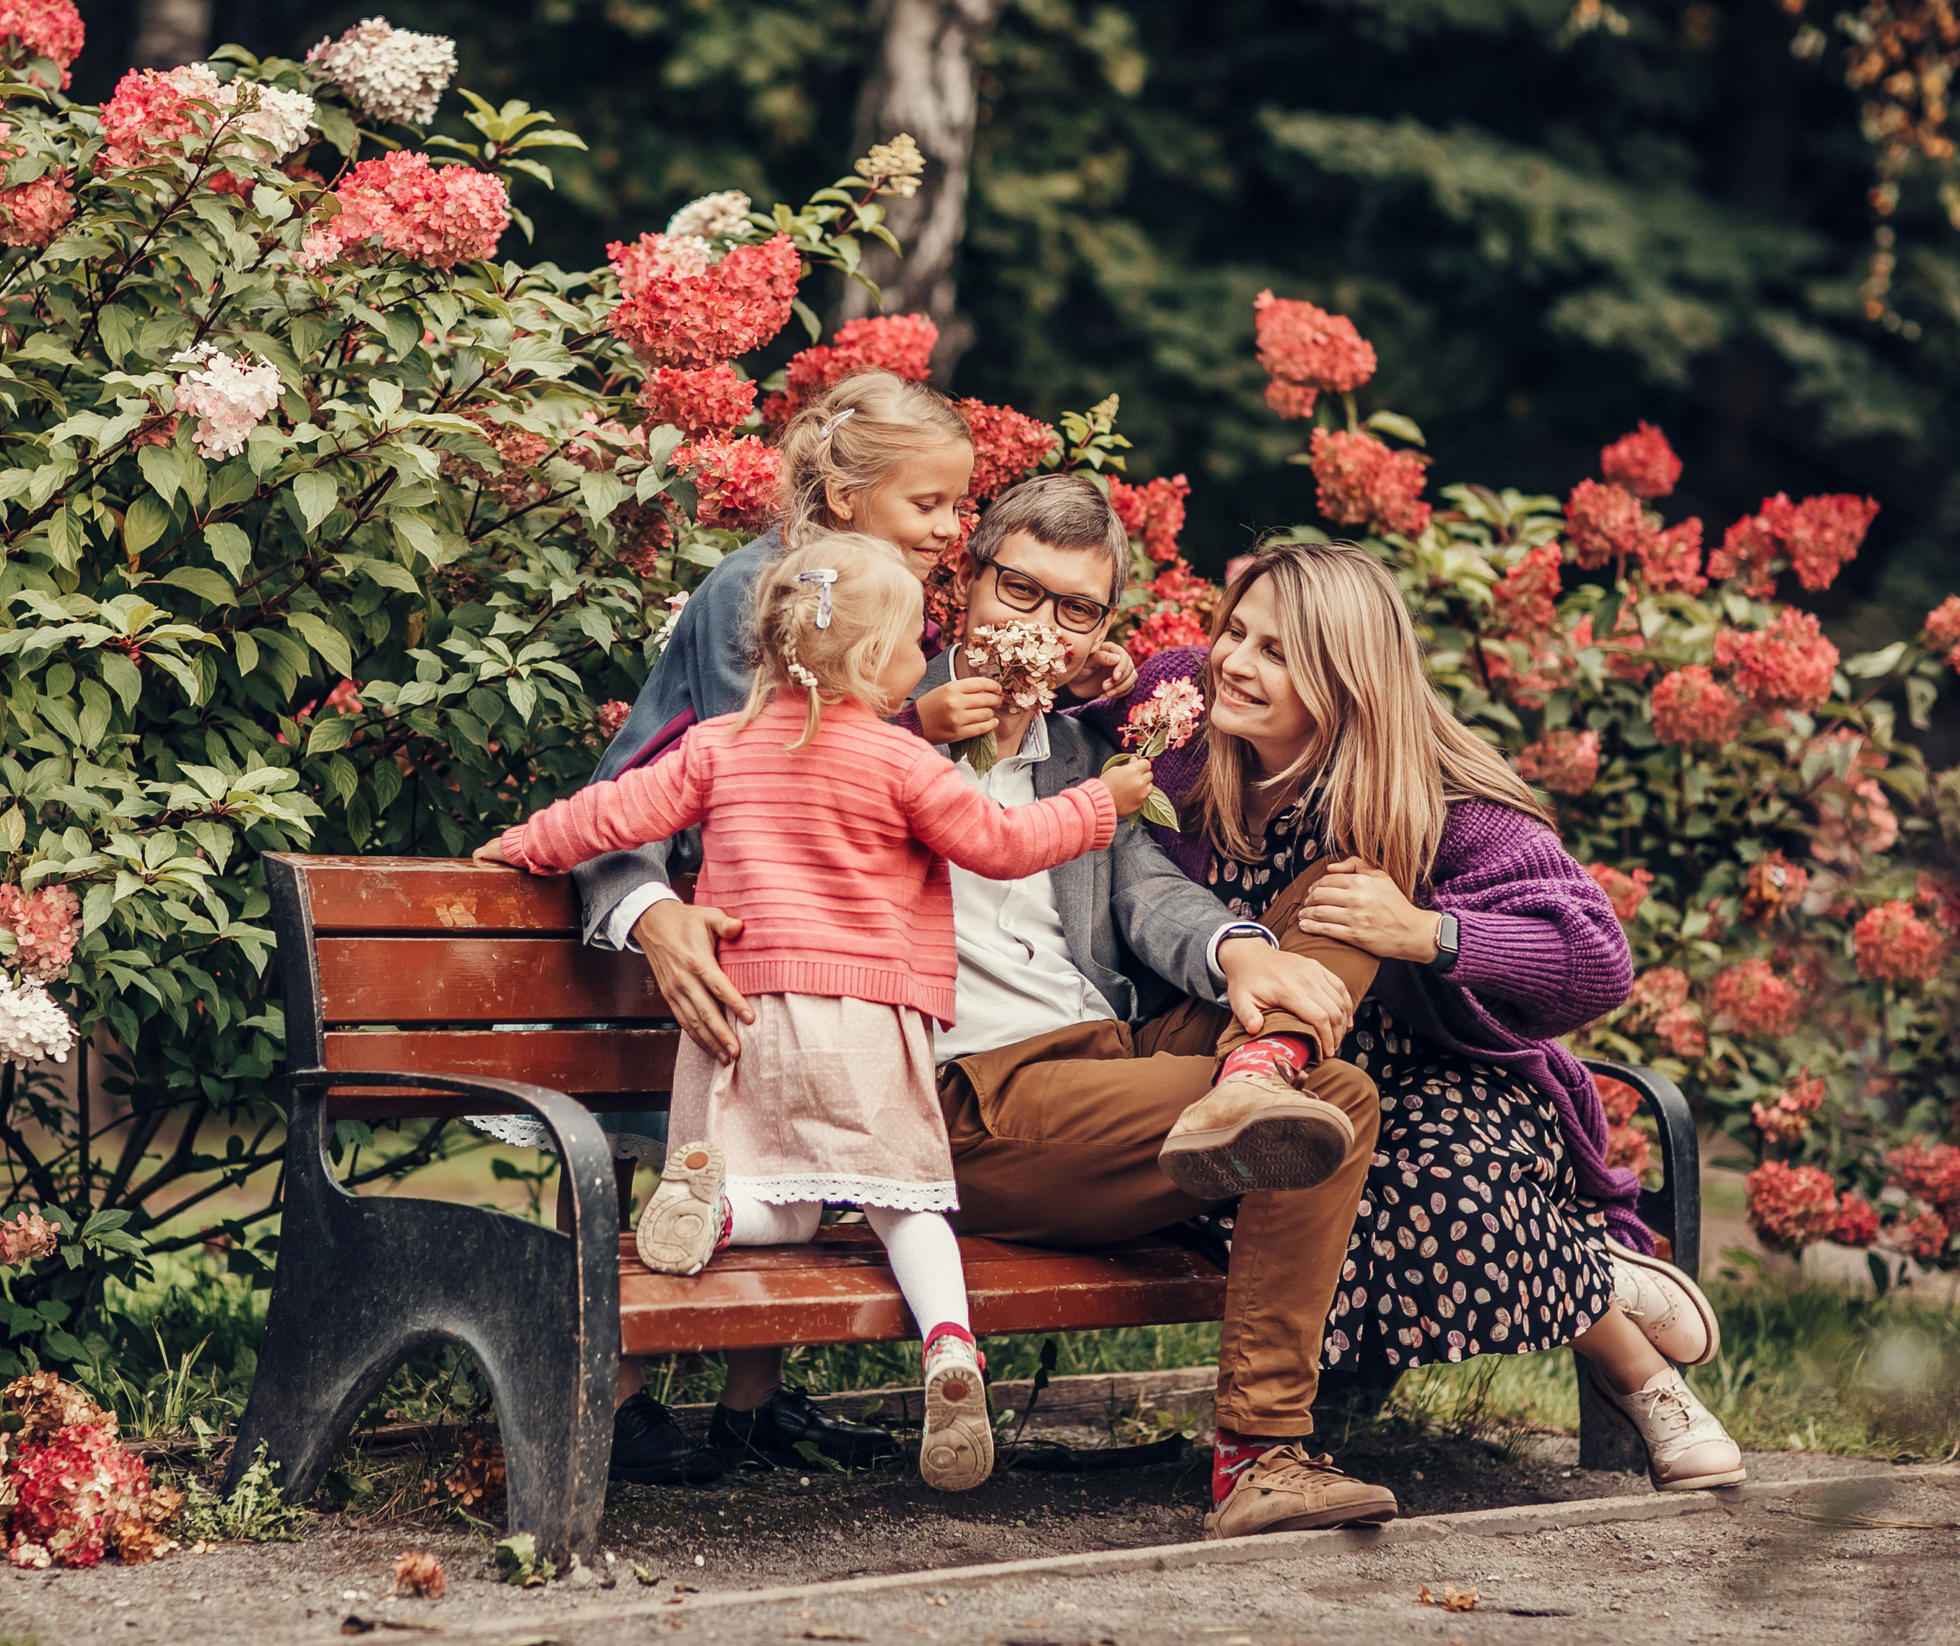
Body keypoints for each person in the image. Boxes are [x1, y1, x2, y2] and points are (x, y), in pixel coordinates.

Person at [594, 476, 1410, 1537]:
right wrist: (654, 910)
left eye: (1078, 610)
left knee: (1352, 894)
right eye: (1019, 590)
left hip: (1104, 1059)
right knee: (1335, 1097)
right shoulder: (851, 716)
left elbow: (1148, 891)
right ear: (966, 585)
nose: (1043, 627)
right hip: (963, 1100)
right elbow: (637, 803)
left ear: (1102, 631)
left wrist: (1238, 948)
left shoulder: (1078, 754)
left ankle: (1258, 1072)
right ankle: (1258, 1452)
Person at [503, 368, 1136, 1486]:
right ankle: (620, 1396)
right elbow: (760, 759)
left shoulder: (870, 585)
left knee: (770, 1171)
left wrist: (1075, 688)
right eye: (930, 504)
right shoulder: (758, 589)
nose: (951, 530)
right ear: (846, 496)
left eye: (957, 506)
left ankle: (754, 1405)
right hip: (698, 908)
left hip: (782, 933)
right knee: (751, 1159)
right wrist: (652, 912)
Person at [1075, 539, 1746, 1493]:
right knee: (1276, 1176)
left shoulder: (1437, 799)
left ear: (1344, 679)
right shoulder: (1183, 710)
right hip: (1264, 1070)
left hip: (1443, 1074)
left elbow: (1597, 959)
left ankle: (1640, 1376)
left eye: (1276, 652)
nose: (1234, 662)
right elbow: (1062, 733)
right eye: (1237, 633)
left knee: (1441, 1194)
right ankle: (1602, 1277)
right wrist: (1088, 675)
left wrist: (1428, 932)